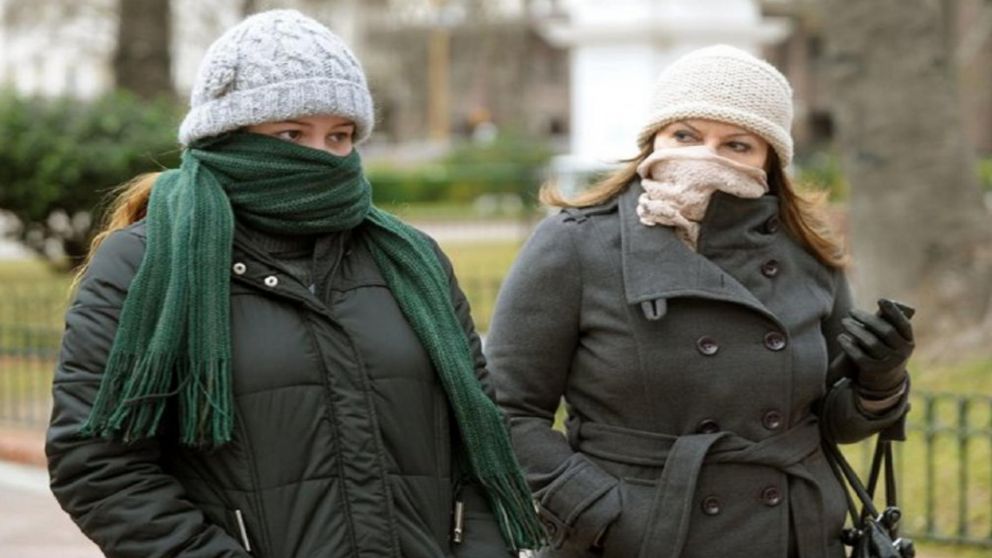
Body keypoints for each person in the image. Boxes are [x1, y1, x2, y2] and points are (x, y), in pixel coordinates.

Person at [45, 10, 542, 558]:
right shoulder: (143, 264)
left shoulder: (412, 260)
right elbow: (97, 465)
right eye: (291, 133)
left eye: (340, 135)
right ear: (227, 137)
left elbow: (476, 437)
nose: (321, 156)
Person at [486, 45, 914, 558]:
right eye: (686, 136)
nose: (706, 157)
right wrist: (604, 513)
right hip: (639, 541)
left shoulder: (807, 253)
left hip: (793, 537)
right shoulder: (575, 245)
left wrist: (881, 380)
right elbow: (505, 412)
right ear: (654, 139)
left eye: (737, 145)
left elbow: (835, 423)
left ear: (769, 161)